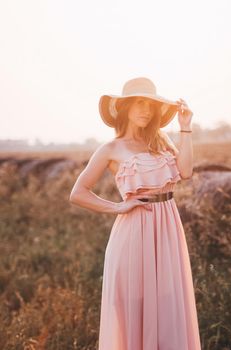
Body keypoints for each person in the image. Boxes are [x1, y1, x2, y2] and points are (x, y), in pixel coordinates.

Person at [69, 77, 202, 350]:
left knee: (167, 305)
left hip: (168, 230)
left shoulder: (161, 141)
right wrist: (117, 206)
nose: (145, 110)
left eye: (151, 105)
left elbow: (186, 171)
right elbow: (78, 193)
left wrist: (185, 129)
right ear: (126, 107)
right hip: (134, 232)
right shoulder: (110, 149)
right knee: (135, 306)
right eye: (139, 103)